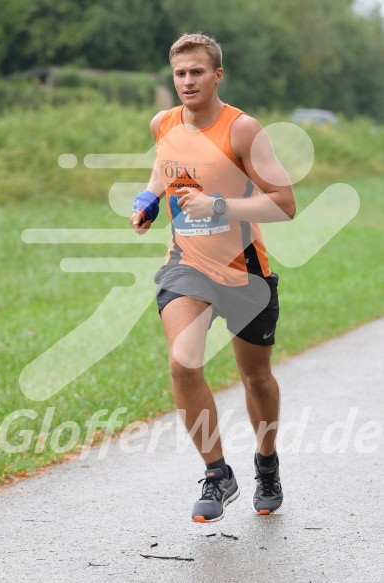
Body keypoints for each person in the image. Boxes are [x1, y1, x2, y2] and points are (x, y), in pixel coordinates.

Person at [130, 33, 296, 523]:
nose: (187, 81)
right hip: (187, 263)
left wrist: (219, 204)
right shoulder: (163, 123)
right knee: (183, 363)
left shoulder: (243, 130)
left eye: (197, 72)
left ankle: (266, 465)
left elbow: (285, 204)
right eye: (180, 73)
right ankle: (217, 473)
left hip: (244, 270)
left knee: (256, 377)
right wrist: (149, 199)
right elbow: (165, 168)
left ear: (216, 75)